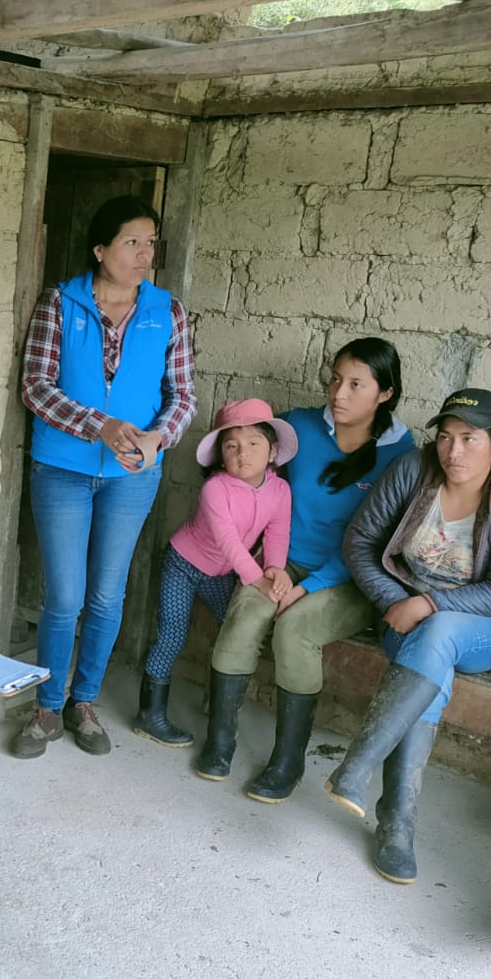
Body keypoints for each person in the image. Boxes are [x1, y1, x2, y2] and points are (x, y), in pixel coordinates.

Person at [328, 389, 491, 884]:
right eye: (446, 437)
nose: (453, 452)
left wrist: (428, 603)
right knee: (430, 655)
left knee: (442, 630)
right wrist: (394, 601)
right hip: (403, 618)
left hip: (486, 630)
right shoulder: (414, 469)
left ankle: (358, 765)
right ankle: (397, 823)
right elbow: (360, 542)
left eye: (470, 439)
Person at [15, 195, 197, 758]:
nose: (145, 253)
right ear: (100, 249)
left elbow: (183, 396)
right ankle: (47, 708)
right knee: (64, 596)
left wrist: (155, 436)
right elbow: (36, 386)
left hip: (132, 475)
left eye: (150, 242)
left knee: (106, 595)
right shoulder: (60, 304)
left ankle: (84, 701)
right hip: (63, 469)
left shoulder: (168, 311)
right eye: (131, 242)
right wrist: (101, 425)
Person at [197, 339, 416, 801]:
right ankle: (220, 742)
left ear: (385, 394)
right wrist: (269, 567)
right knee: (247, 614)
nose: (339, 393)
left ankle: (287, 761)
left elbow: (375, 539)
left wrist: (309, 586)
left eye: (357, 384)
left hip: (352, 575)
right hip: (283, 561)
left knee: (294, 628)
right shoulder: (298, 427)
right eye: (336, 378)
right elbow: (252, 472)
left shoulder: (400, 453)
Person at [134, 399, 296, 747]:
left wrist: (276, 568)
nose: (243, 453)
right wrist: (260, 582)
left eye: (254, 443)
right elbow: (230, 545)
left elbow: (277, 533)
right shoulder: (215, 489)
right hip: (183, 565)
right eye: (231, 445)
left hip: (222, 575)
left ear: (272, 451)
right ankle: (149, 714)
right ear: (220, 455)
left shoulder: (280, 490)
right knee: (171, 635)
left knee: (235, 629)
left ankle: (219, 700)